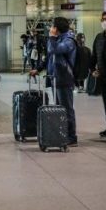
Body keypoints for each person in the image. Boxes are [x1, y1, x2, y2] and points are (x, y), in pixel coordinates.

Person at [31, 17, 78, 146]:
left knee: (66, 108)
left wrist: (51, 37)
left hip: (64, 78)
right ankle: (62, 134)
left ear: (56, 28)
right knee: (59, 108)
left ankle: (71, 137)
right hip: (55, 78)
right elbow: (49, 56)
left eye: (52, 26)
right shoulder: (58, 39)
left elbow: (55, 50)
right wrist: (38, 69)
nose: (50, 28)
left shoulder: (69, 40)